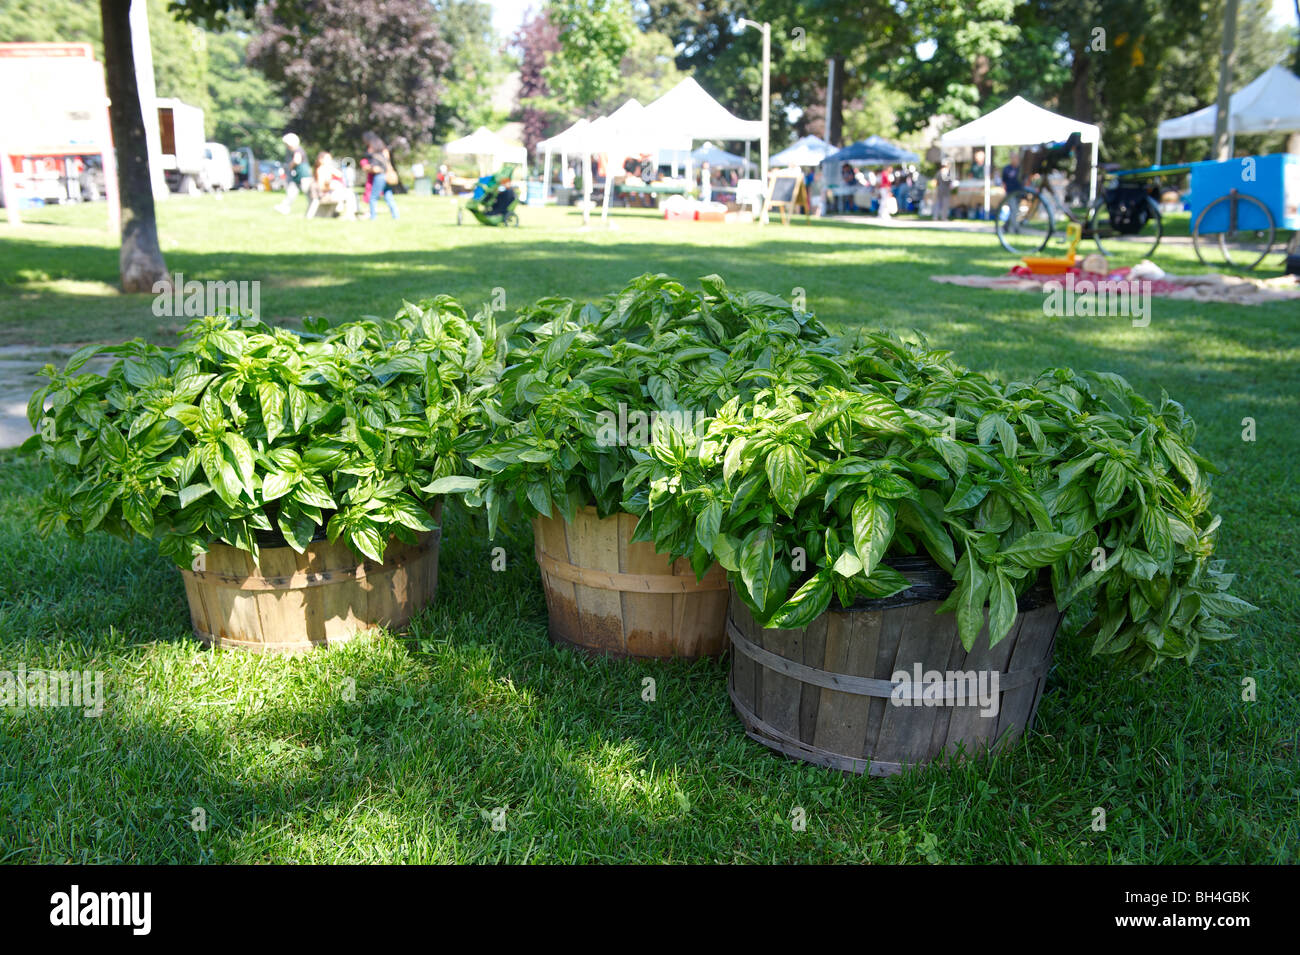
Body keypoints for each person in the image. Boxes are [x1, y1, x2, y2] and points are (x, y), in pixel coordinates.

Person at [363, 132, 399, 220]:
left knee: (373, 198)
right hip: (387, 176)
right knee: (388, 195)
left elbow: (375, 168)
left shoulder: (373, 155)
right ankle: (396, 216)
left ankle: (373, 217)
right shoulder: (383, 153)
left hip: (379, 176)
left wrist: (368, 168)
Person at [274, 132, 311, 214]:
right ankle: (285, 207)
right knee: (292, 191)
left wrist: (290, 166)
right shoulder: (296, 150)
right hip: (298, 176)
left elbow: (297, 160)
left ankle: (312, 208)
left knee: (309, 193)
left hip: (303, 175)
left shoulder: (298, 150)